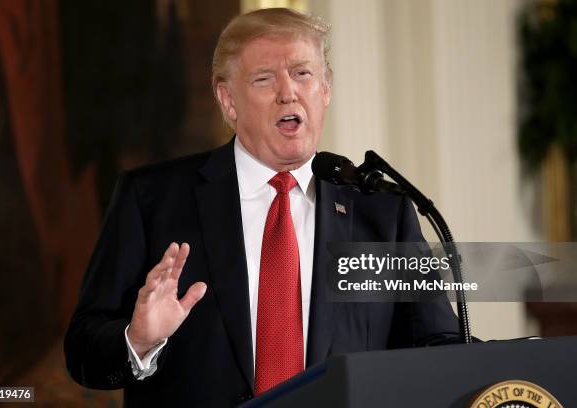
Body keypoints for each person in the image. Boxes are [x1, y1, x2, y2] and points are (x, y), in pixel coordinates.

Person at [64, 7, 460, 407]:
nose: (288, 92)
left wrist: (511, 358)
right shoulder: (152, 200)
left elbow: (438, 344)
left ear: (326, 90)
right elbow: (82, 350)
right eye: (265, 78)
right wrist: (138, 340)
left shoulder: (382, 213)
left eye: (303, 74)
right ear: (228, 100)